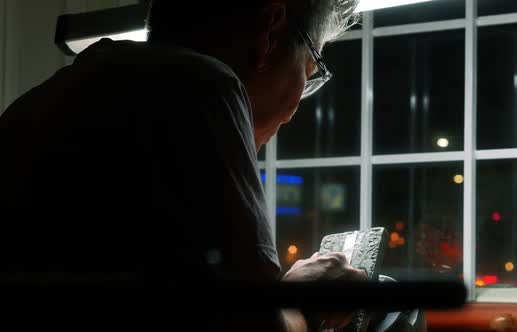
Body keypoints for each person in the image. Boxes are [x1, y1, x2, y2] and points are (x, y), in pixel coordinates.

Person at [0, 0, 366, 330]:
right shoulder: (203, 86)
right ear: (269, 33)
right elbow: (254, 324)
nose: (295, 108)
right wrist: (300, 301)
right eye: (309, 66)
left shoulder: (43, 99)